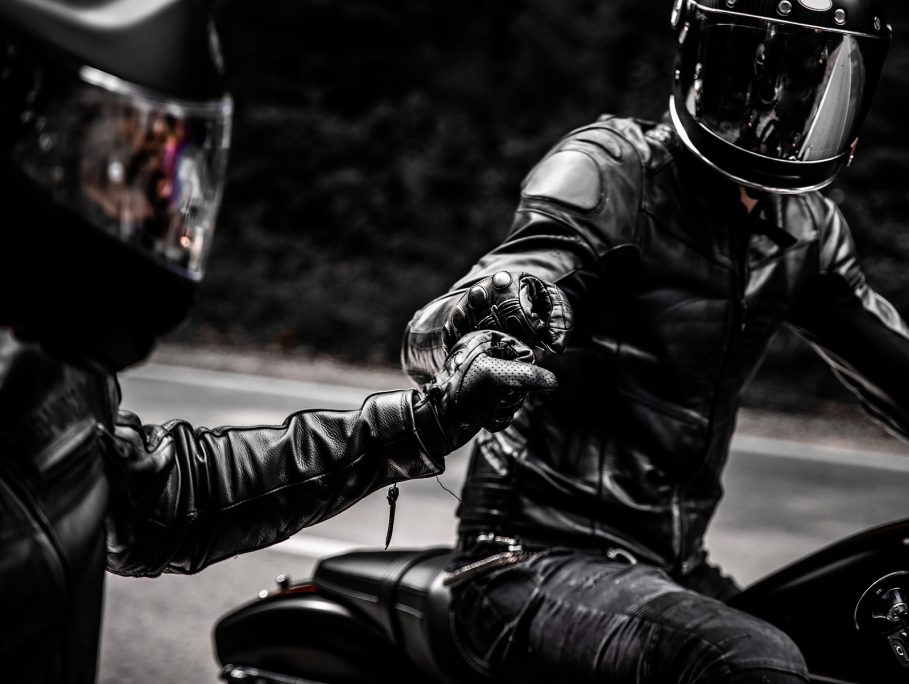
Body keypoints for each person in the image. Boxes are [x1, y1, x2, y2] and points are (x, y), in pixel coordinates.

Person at [401, 0, 909, 682]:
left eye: (818, 80)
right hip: (526, 557)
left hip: (671, 567)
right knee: (754, 662)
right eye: (758, 71)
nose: (779, 109)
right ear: (701, 57)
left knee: (864, 654)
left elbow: (908, 375)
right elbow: (521, 269)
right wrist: (477, 328)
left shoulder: (805, 229)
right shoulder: (612, 172)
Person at [0, 1, 555, 682]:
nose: (143, 206)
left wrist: (428, 420)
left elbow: (160, 500)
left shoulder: (48, 367)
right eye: (113, 164)